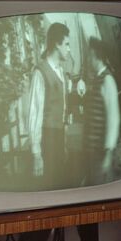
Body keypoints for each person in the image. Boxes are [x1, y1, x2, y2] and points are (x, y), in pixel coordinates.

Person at [28, 22, 71, 188]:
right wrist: (36, 154)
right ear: (57, 44)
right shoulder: (40, 72)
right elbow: (34, 114)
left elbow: (62, 110)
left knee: (60, 182)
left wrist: (63, 141)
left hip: (58, 137)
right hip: (47, 139)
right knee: (49, 185)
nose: (69, 49)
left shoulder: (60, 71)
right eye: (67, 44)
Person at [79, 37, 121, 185]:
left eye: (89, 55)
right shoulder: (96, 79)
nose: (88, 59)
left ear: (96, 56)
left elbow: (113, 118)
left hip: (100, 152)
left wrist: (108, 152)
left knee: (100, 188)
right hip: (91, 150)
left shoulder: (107, 80)